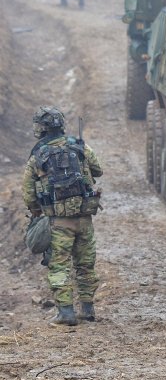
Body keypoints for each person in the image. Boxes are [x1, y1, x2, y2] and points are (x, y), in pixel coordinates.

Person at [21, 106, 103, 326]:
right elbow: (98, 170)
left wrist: (37, 210)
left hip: (58, 222)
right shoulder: (79, 146)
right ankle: (87, 308)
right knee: (85, 264)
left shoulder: (37, 156)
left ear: (40, 128)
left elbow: (28, 194)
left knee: (59, 265)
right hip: (84, 219)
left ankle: (66, 312)